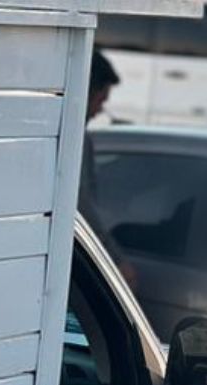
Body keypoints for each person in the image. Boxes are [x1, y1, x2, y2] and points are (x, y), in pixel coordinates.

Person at [80, 49, 132, 278]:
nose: (100, 110)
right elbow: (83, 207)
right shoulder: (76, 141)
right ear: (87, 93)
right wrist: (114, 260)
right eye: (100, 100)